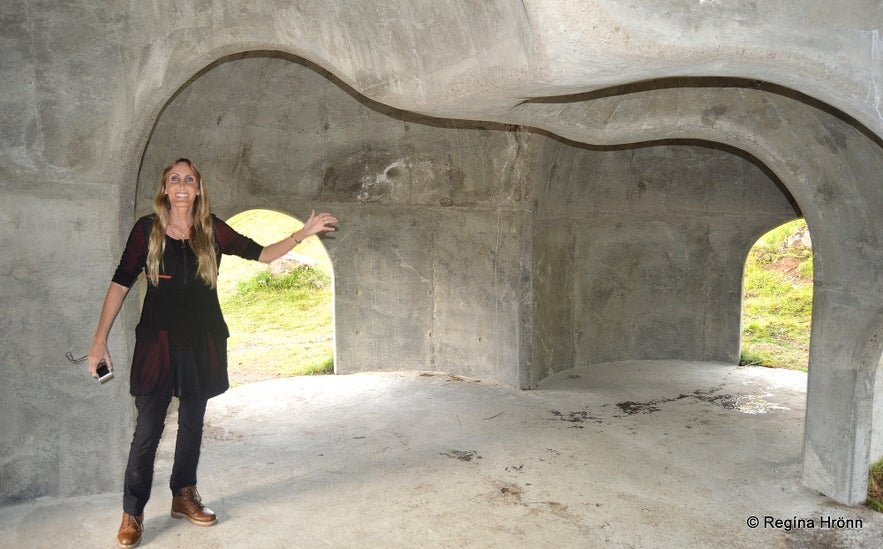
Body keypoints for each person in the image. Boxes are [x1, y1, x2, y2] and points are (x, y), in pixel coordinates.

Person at [88, 158, 337, 549]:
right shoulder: (147, 230)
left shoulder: (211, 228)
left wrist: (302, 233)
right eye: (175, 179)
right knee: (147, 432)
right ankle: (132, 511)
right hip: (157, 343)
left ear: (198, 188)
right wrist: (99, 339)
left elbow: (262, 254)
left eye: (189, 179)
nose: (182, 185)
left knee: (191, 426)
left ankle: (183, 495)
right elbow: (121, 281)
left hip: (202, 340)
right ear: (165, 189)